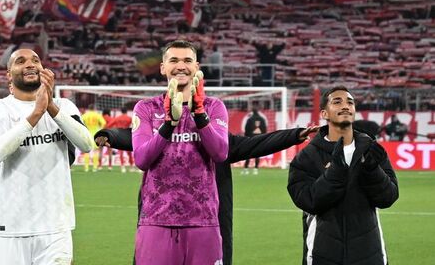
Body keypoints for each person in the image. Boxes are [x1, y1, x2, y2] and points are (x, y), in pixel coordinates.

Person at [97, 122, 320, 264]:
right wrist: (111, 135)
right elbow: (133, 137)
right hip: (161, 222)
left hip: (208, 225)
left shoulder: (218, 141)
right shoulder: (161, 131)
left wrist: (294, 135)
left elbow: (255, 144)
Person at [0, 48, 94, 265]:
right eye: (20, 61)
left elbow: (86, 144)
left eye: (35, 60)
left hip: (55, 228)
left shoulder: (64, 106)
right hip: (10, 229)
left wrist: (49, 106)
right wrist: (35, 115)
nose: (30, 64)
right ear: (8, 74)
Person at [131, 40, 229, 265]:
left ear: (197, 67)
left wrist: (200, 115)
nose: (181, 66)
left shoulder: (214, 107)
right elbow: (142, 159)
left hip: (203, 220)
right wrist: (169, 123)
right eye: (173, 60)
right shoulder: (146, 108)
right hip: (156, 220)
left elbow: (221, 153)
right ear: (163, 67)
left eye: (187, 60)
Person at [288, 87, 399, 265]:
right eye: (337, 102)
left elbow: (388, 197)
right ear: (324, 113)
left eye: (350, 102)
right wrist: (336, 170)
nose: (345, 106)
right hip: (322, 254)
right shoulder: (306, 158)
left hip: (369, 253)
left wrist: (372, 171)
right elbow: (309, 201)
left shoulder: (371, 150)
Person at [243, 107, 268, 174]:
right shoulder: (262, 119)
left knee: (248, 153)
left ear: (252, 112)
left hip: (251, 139)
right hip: (259, 138)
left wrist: (246, 138)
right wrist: (263, 138)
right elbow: (264, 129)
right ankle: (256, 169)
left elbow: (246, 130)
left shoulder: (250, 119)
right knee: (257, 153)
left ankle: (246, 169)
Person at [81, 106, 106, 172]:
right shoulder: (97, 115)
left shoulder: (85, 115)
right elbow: (104, 123)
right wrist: (100, 129)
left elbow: (80, 122)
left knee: (87, 151)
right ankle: (95, 168)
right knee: (96, 151)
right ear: (94, 109)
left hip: (87, 134)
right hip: (96, 134)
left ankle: (86, 168)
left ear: (88, 109)